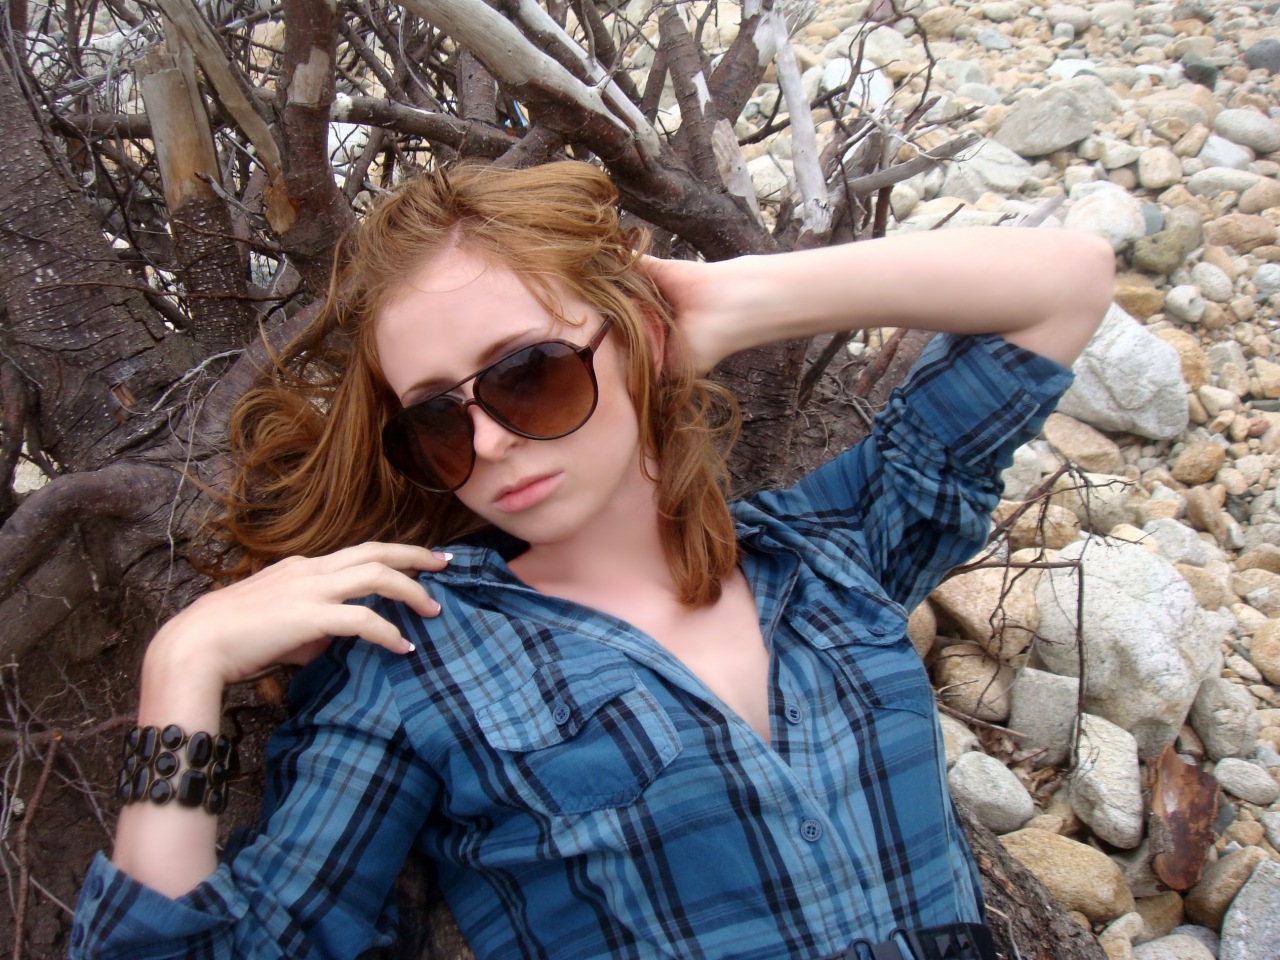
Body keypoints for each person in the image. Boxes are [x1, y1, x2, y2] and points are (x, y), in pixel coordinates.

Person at [70, 161, 1113, 960]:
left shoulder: (834, 550)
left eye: (527, 373)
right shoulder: (417, 661)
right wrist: (183, 669)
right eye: (435, 418)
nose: (487, 443)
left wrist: (733, 301)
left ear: (636, 336)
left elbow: (1064, 281)